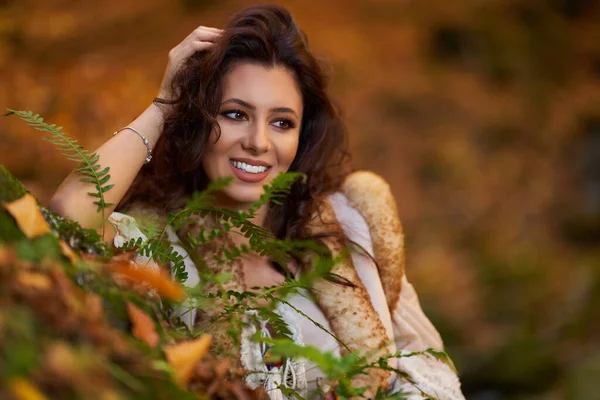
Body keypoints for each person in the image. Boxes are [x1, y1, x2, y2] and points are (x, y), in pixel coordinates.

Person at [49, 4, 465, 399]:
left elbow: (428, 373)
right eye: (235, 114)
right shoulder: (161, 250)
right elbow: (71, 215)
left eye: (282, 122)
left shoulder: (351, 227)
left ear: (302, 136)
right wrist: (164, 104)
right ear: (196, 119)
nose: (258, 142)